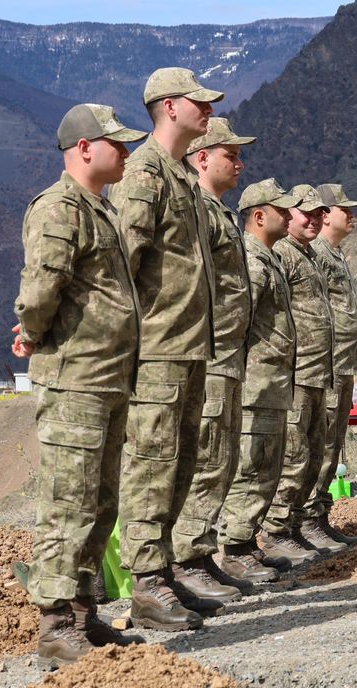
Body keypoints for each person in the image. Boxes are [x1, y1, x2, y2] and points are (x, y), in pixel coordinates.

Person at [14, 103, 147, 666]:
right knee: (67, 503)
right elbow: (41, 288)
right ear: (84, 148)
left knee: (100, 503)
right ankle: (53, 625)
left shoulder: (102, 209)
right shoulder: (59, 208)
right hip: (75, 379)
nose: (126, 152)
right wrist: (30, 332)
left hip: (108, 377)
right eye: (116, 143)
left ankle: (83, 613)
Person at [109, 67, 223, 632]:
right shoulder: (143, 174)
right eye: (199, 102)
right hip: (156, 348)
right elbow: (122, 263)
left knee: (180, 464)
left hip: (189, 345)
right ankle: (146, 583)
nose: (209, 110)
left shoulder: (180, 177)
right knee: (152, 465)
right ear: (170, 106)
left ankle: (165, 571)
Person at [171, 117, 254, 603]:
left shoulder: (218, 212)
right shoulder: (197, 209)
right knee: (206, 457)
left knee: (221, 459)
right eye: (231, 155)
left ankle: (200, 555)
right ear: (202, 158)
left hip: (228, 353)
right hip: (210, 351)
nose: (239, 164)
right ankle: (186, 558)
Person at [217, 179, 300, 584]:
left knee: (267, 466)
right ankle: (233, 549)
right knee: (252, 466)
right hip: (257, 382)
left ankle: (247, 542)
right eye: (282, 210)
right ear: (260, 216)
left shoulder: (269, 259)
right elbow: (239, 323)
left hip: (273, 381)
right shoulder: (251, 260)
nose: (289, 216)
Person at [266, 186, 340, 555]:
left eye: (318, 214)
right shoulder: (283, 253)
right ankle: (276, 531)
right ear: (288, 215)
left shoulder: (308, 255)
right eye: (305, 213)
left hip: (317, 372)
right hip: (296, 373)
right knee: (293, 456)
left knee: (313, 454)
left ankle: (298, 525)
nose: (313, 220)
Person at [308, 184, 357, 546]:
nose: (352, 215)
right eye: (345, 209)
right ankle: (308, 518)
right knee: (321, 442)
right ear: (326, 215)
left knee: (333, 442)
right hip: (325, 364)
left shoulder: (335, 255)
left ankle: (319, 515)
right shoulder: (317, 253)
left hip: (342, 363)